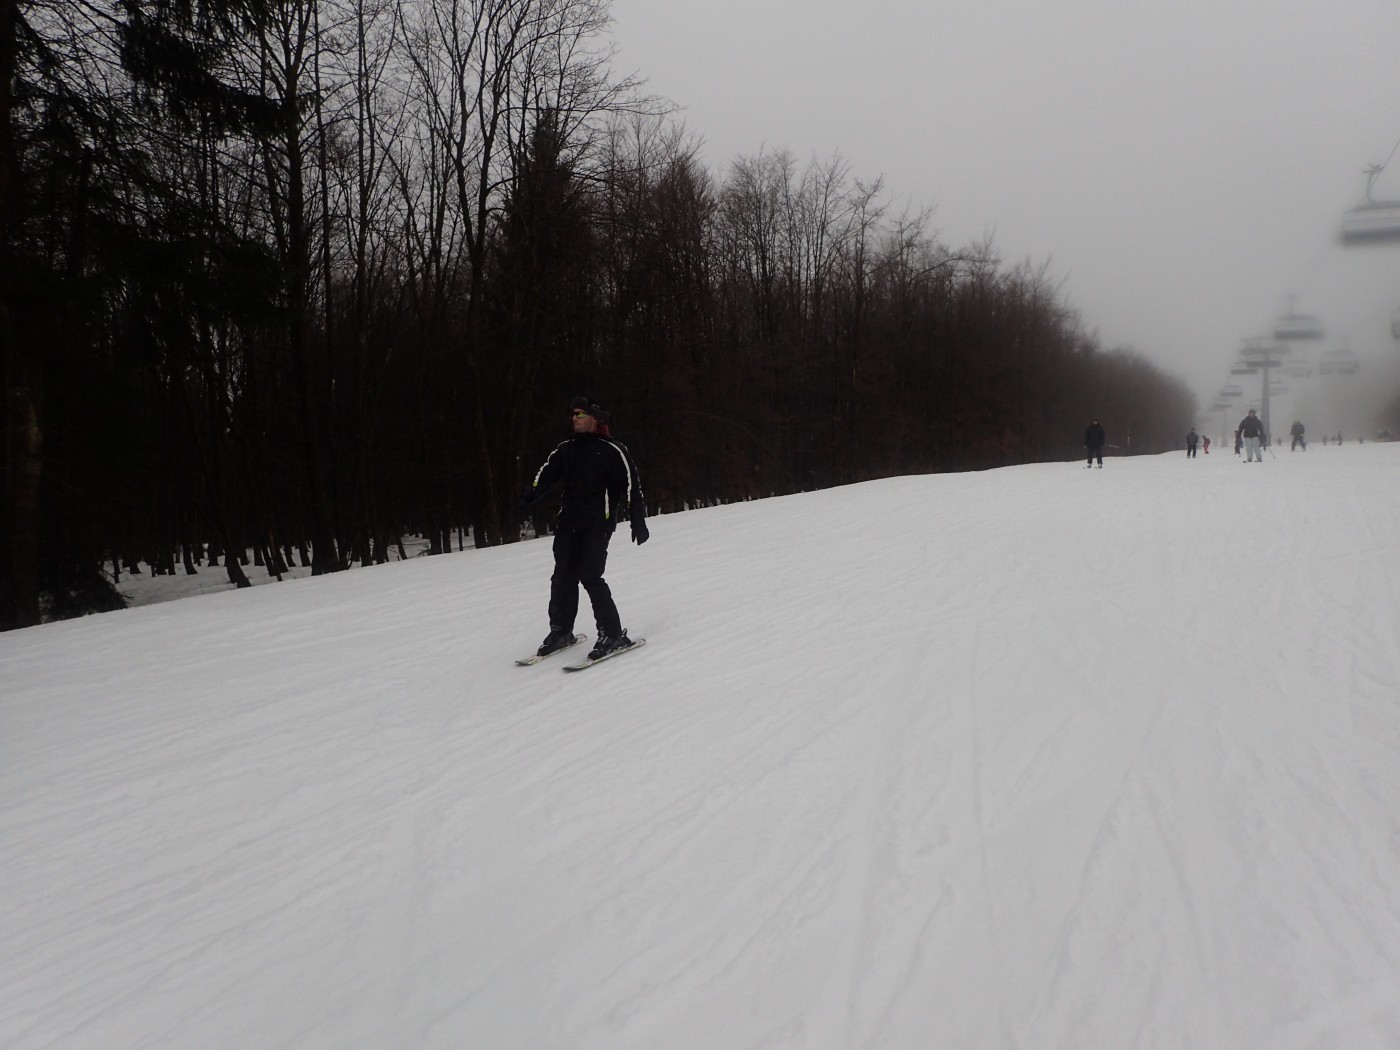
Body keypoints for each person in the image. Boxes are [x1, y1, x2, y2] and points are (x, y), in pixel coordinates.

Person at [519, 396, 649, 661]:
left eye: (580, 414)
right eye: (573, 414)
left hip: (597, 525)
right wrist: (526, 500)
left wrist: (637, 520)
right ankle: (561, 631)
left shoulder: (612, 450)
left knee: (590, 575)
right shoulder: (566, 449)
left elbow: (631, 486)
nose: (574, 419)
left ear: (596, 418)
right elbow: (543, 478)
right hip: (568, 524)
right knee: (562, 576)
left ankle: (612, 633)